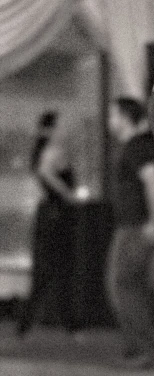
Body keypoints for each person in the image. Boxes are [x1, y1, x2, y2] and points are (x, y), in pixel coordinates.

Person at [106, 97, 154, 368]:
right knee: (125, 285)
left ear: (125, 117)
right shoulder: (136, 146)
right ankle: (136, 345)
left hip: (135, 226)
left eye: (113, 115)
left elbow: (153, 181)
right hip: (131, 225)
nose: (110, 121)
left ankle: (145, 347)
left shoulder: (138, 147)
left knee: (125, 285)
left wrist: (152, 222)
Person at [17, 110, 80, 336]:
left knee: (48, 271)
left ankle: (30, 325)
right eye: (62, 125)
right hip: (56, 216)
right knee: (55, 270)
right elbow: (45, 173)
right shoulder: (54, 151)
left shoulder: (48, 150)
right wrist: (67, 195)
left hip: (51, 215)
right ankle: (65, 325)